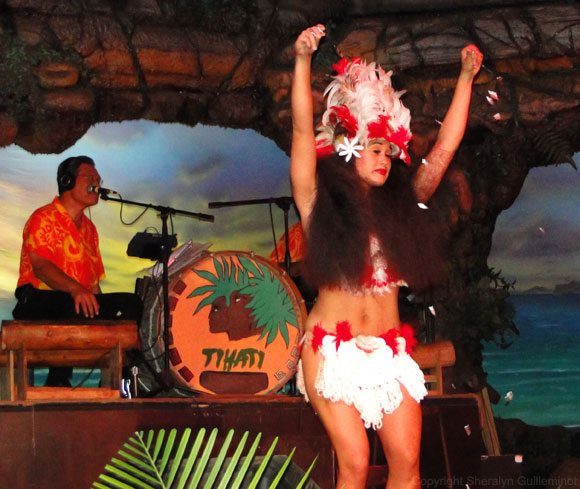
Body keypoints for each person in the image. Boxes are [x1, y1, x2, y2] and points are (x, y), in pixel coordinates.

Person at [291, 25, 482, 489]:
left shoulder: (403, 205)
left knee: (408, 463)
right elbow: (301, 129)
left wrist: (466, 78)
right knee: (354, 463)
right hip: (330, 350)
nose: (383, 159)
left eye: (387, 153)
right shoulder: (317, 201)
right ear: (349, 148)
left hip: (388, 352)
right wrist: (301, 61)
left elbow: (445, 148)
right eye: (374, 150)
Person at [13, 155, 142, 386]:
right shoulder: (44, 217)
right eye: (90, 177)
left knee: (131, 304)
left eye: (98, 178)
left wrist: (105, 313)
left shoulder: (90, 230)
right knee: (75, 302)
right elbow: (41, 267)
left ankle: (123, 382)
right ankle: (57, 381)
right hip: (34, 298)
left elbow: (92, 285)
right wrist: (76, 290)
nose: (97, 182)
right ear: (67, 180)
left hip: (76, 299)